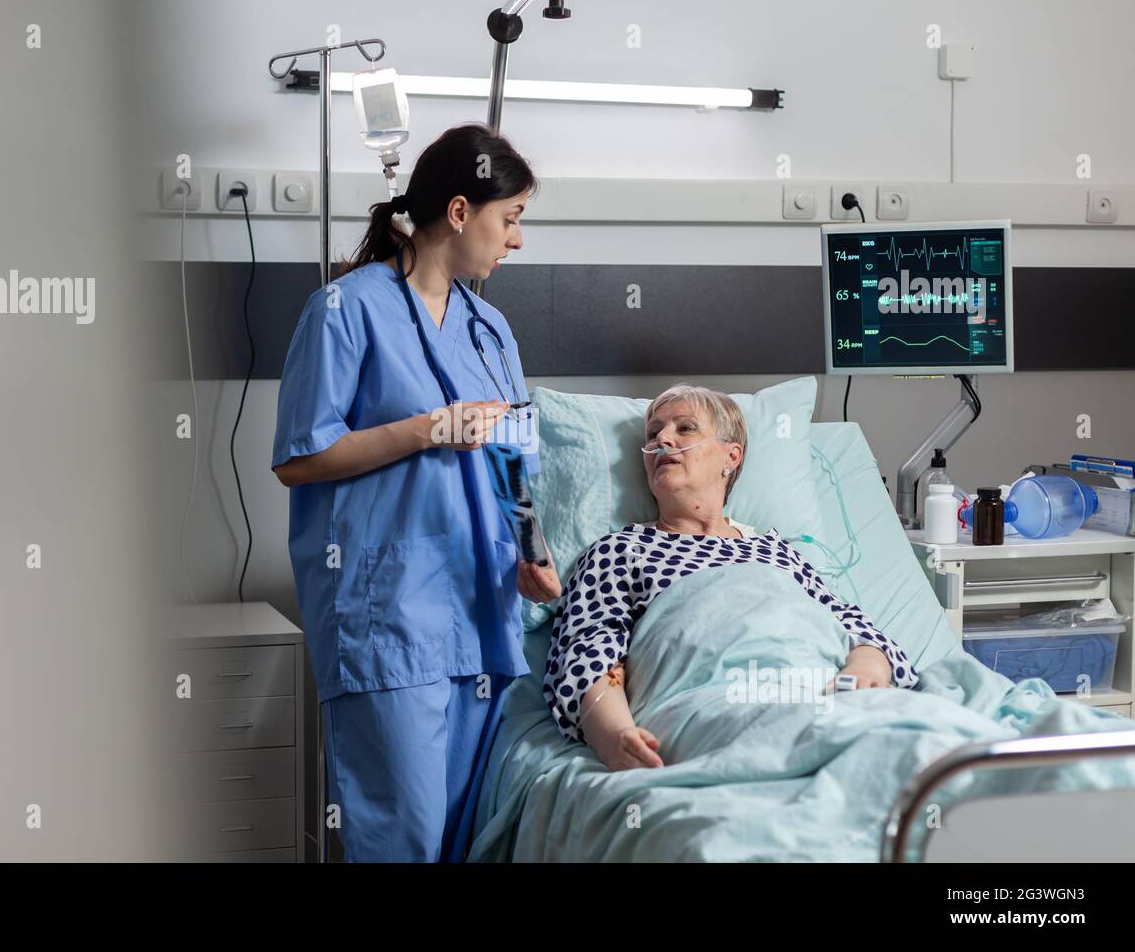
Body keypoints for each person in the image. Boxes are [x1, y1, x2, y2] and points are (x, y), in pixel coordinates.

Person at [272, 123, 562, 862]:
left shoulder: (491, 330)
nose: (517, 242)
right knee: (404, 837)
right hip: (389, 612)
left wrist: (533, 550)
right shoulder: (345, 310)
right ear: (460, 212)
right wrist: (429, 429)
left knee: (463, 842)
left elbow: (512, 457)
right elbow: (301, 459)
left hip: (481, 611)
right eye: (511, 220)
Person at [541, 384, 920, 771]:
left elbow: (847, 621)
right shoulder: (620, 550)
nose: (662, 441)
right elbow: (588, 648)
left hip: (820, 686)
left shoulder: (777, 551)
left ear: (731, 456)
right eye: (653, 434)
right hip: (709, 699)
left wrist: (866, 669)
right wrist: (614, 735)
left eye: (684, 429)